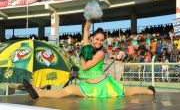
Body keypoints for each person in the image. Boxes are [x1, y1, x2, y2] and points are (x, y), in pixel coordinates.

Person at [23, 21, 155, 99]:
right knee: (67, 90)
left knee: (128, 92)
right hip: (89, 84)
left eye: (102, 40)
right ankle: (38, 91)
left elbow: (85, 67)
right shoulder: (87, 46)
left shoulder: (101, 54)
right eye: (97, 39)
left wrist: (80, 57)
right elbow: (86, 29)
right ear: (92, 38)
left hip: (101, 85)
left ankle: (150, 91)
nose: (99, 42)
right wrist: (88, 21)